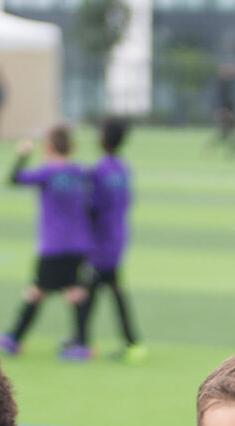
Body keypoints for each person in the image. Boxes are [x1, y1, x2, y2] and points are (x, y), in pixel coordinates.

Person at [0, 126, 93, 361]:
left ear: (48, 147)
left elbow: (14, 179)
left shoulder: (47, 172)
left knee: (37, 291)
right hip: (80, 242)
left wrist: (22, 155)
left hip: (54, 244)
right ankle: (81, 343)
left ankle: (14, 338)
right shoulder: (80, 171)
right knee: (75, 290)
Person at [82, 116, 142, 360]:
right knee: (108, 288)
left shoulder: (99, 169)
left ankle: (82, 342)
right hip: (118, 236)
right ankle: (130, 342)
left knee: (90, 291)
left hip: (100, 239)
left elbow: (92, 206)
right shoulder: (123, 168)